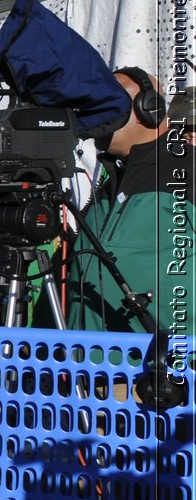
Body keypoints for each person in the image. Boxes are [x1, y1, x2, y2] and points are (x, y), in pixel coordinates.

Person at [68, 67, 186, 333]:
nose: (97, 115)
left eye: (111, 104)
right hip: (86, 369)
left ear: (150, 108)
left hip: (166, 370)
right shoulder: (112, 183)